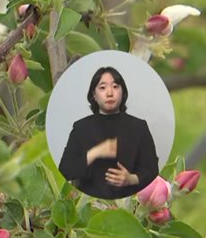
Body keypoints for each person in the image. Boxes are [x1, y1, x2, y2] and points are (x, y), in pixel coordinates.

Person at [58, 66, 159, 199]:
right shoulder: (81, 128)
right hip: (88, 205)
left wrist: (131, 179)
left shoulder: (139, 127)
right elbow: (65, 170)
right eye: (102, 88)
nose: (110, 93)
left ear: (123, 92)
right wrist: (95, 152)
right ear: (94, 95)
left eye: (115, 86)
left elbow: (152, 169)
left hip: (130, 204)